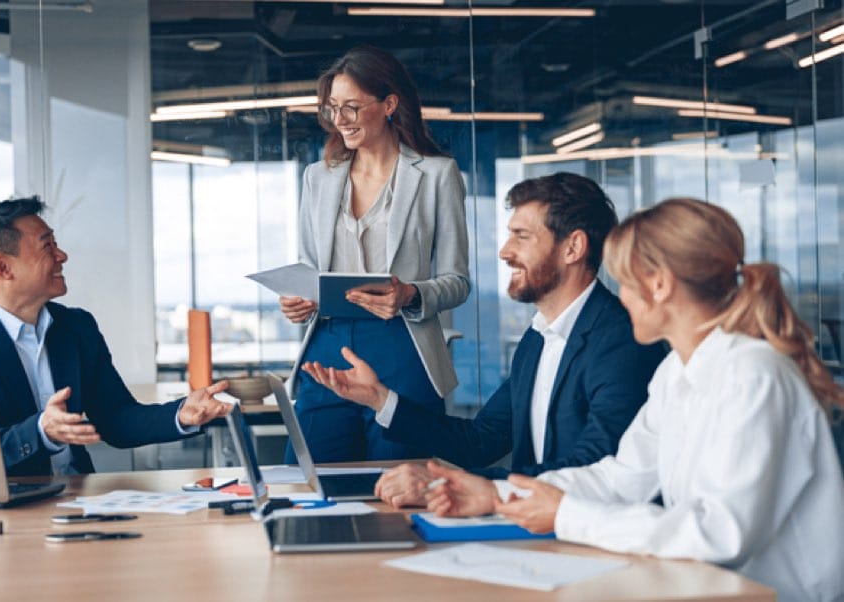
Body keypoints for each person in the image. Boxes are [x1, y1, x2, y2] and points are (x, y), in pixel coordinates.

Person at [426, 198, 844, 601]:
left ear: (659, 285)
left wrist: (567, 514)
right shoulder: (676, 372)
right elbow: (621, 477)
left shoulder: (753, 375)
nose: (620, 297)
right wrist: (499, 496)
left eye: (625, 282)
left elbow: (718, 533)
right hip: (708, 588)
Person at [303, 172, 666, 507]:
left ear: (573, 248)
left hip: (587, 536)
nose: (505, 252)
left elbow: (593, 466)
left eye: (521, 237)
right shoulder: (538, 337)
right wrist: (379, 398)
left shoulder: (622, 341)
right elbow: (480, 441)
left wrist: (449, 486)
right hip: (532, 525)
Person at [0, 197, 232, 477]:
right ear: (3, 267)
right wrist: (40, 432)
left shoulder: (76, 327)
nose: (62, 255)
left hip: (79, 499)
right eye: (47, 246)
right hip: (8, 512)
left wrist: (180, 414)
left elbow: (117, 419)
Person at [280, 45, 470, 463]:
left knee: (399, 482)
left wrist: (411, 294)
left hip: (403, 343)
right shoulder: (318, 177)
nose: (340, 120)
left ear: (389, 105)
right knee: (312, 478)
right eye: (332, 108)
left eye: (351, 107)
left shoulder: (437, 174)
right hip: (327, 343)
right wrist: (299, 300)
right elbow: (309, 268)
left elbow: (457, 282)